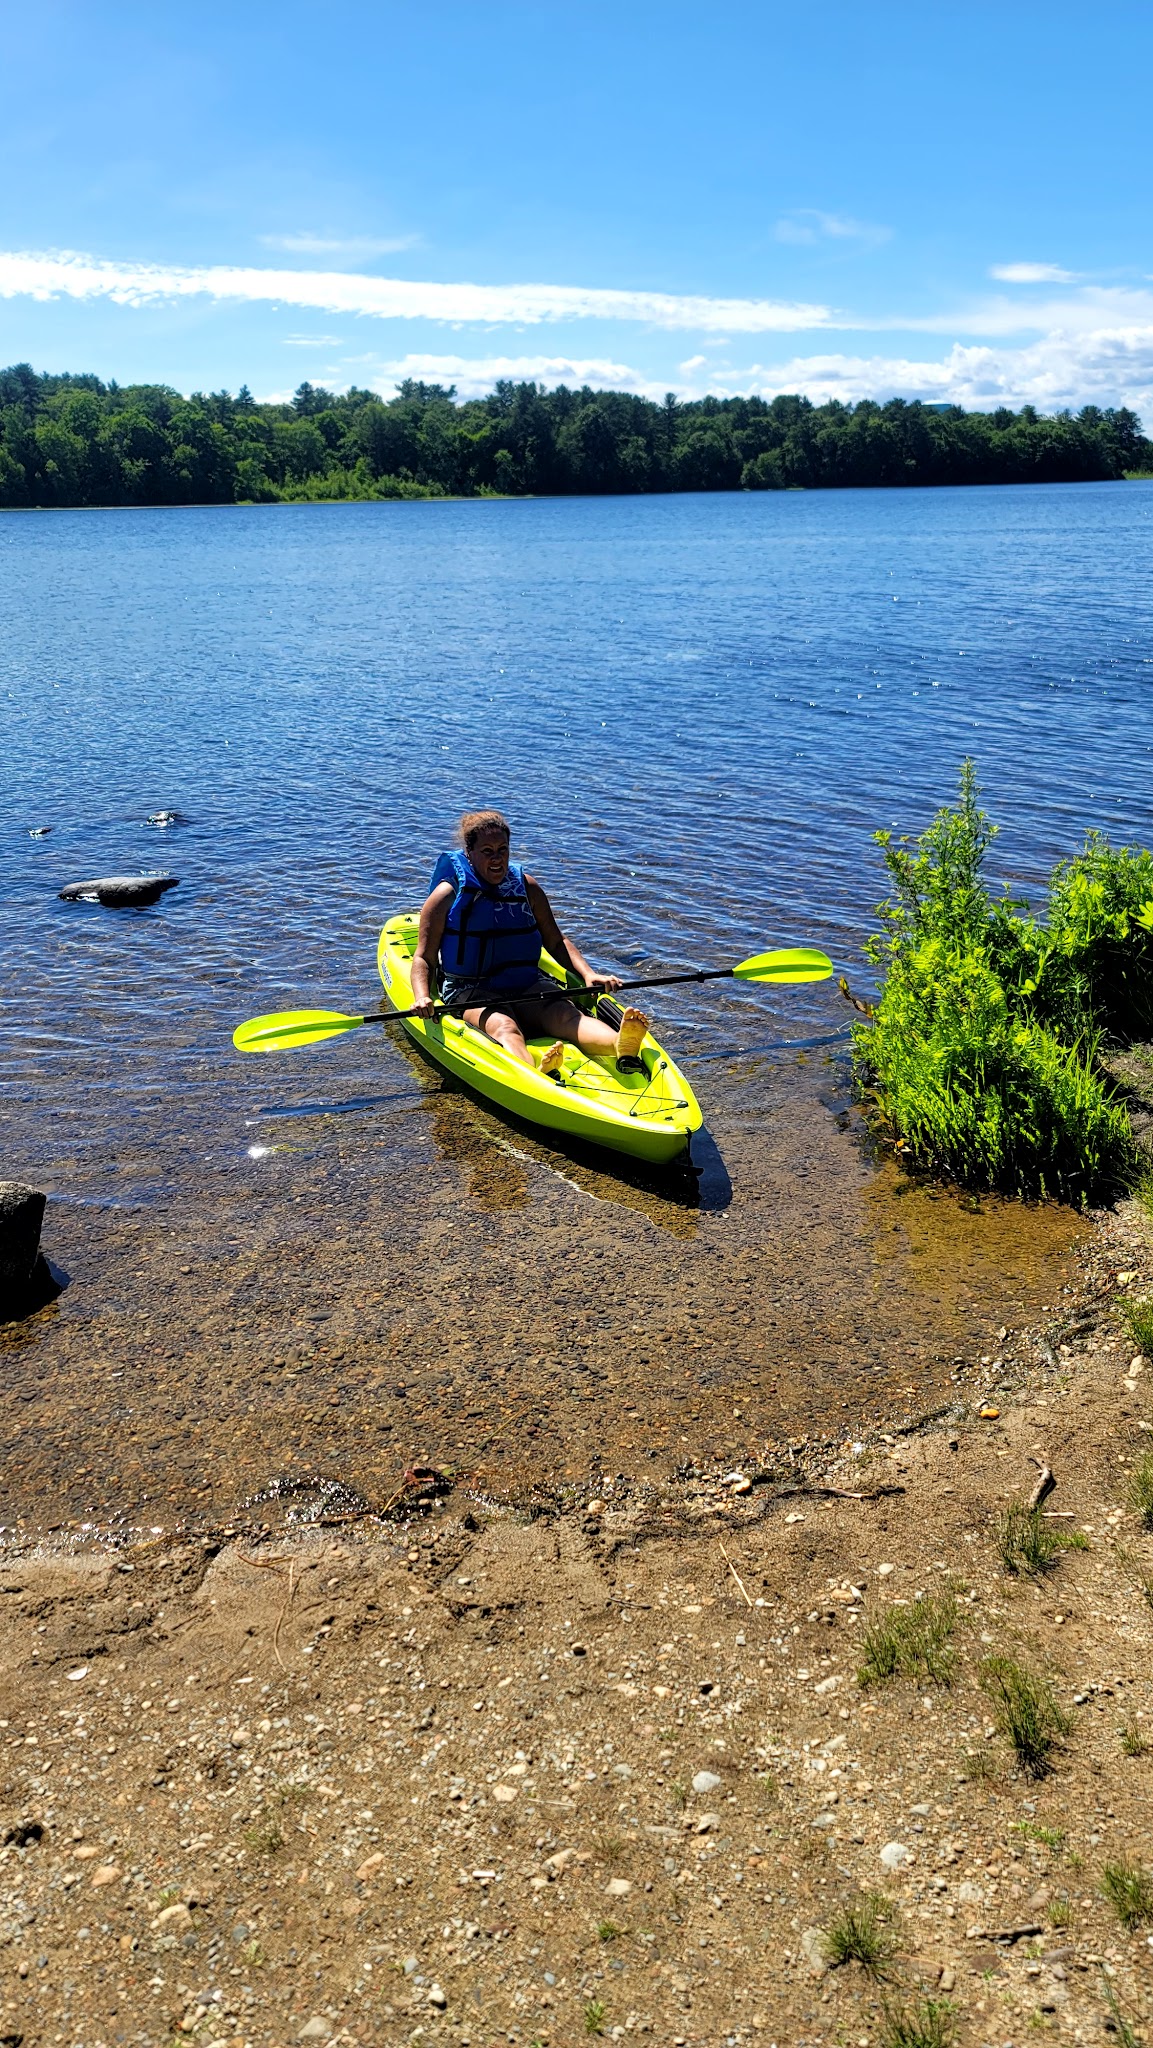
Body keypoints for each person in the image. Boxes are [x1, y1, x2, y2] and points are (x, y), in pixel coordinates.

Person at [408, 810, 649, 1075]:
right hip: (471, 991)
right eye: (487, 851)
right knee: (505, 1027)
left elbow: (556, 941)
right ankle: (533, 1075)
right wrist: (422, 997)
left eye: (503, 849)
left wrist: (588, 973)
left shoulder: (527, 887)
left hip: (525, 984)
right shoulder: (446, 895)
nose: (497, 858)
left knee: (566, 1015)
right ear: (469, 852)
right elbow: (424, 958)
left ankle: (620, 1043)